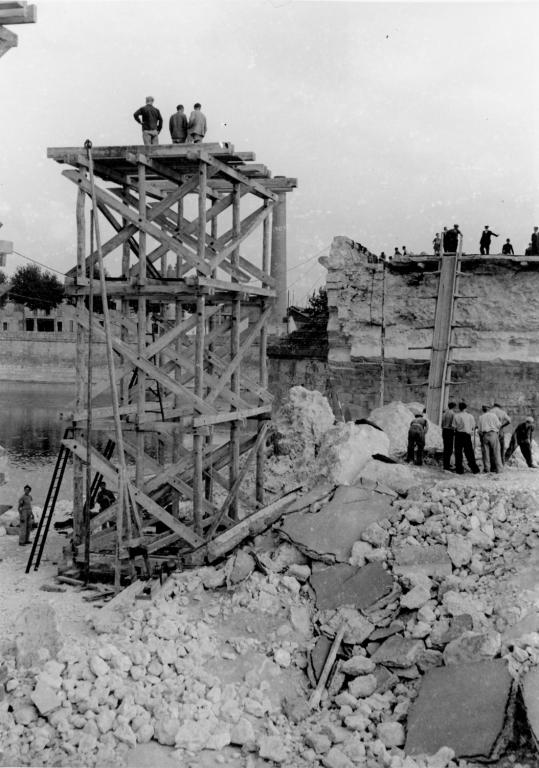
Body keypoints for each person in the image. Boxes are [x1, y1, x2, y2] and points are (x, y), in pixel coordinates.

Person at [453, 402, 480, 474]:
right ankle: (474, 469)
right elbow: (474, 427)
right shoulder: (470, 416)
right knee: (469, 452)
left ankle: (459, 470)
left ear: (459, 408)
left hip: (458, 435)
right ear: (465, 408)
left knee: (458, 452)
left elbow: (454, 426)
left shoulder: (456, 416)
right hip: (467, 435)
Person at [478, 405, 502, 473]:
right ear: (489, 409)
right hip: (493, 434)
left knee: (486, 454)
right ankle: (499, 469)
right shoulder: (493, 415)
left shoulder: (481, 417)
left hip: (485, 435)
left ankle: (487, 469)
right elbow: (499, 425)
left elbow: (479, 430)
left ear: (483, 409)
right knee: (496, 452)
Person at [441, 401, 456, 470]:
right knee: (449, 449)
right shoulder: (453, 413)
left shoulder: (444, 413)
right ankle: (447, 465)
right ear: (453, 407)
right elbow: (453, 425)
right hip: (450, 431)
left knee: (445, 447)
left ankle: (445, 464)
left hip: (444, 430)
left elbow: (442, 423)